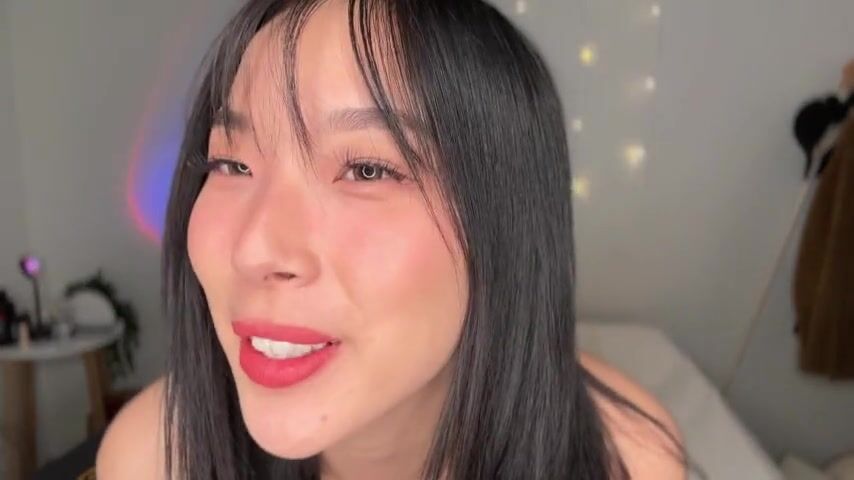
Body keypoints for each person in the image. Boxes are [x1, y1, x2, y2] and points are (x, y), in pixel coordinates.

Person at [97, 0, 687, 478]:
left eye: (366, 170)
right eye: (231, 164)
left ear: (504, 227)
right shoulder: (153, 459)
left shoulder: (627, 458)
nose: (254, 250)